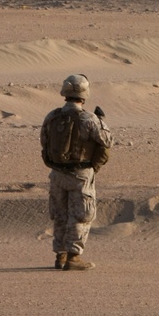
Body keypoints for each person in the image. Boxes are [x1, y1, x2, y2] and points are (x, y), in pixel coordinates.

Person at [41, 74, 113, 270]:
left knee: (60, 215)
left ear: (65, 93)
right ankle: (73, 258)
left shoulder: (52, 116)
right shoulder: (89, 119)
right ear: (84, 95)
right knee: (81, 215)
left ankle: (60, 257)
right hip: (80, 174)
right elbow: (107, 141)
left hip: (57, 174)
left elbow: (44, 143)